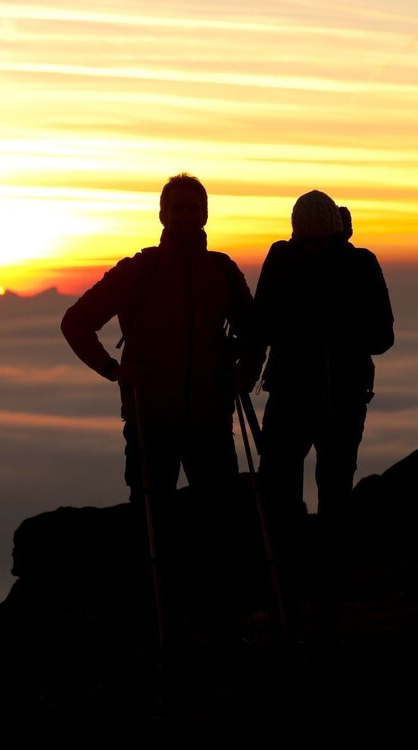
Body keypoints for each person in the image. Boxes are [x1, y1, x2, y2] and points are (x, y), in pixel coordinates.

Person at [61, 173, 261, 645]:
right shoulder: (140, 270)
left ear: (205, 215)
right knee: (155, 529)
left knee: (219, 527)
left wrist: (246, 372)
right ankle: (161, 625)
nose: (187, 216)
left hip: (209, 418)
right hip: (152, 421)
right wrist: (113, 369)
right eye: (179, 209)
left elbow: (254, 332)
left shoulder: (222, 270)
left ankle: (215, 627)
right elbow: (75, 323)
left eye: (194, 209)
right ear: (163, 215)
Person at [250, 189, 394, 642]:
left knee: (333, 502)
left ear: (335, 233)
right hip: (299, 397)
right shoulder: (283, 259)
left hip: (339, 399)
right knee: (280, 499)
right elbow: (262, 325)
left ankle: (325, 615)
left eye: (319, 241)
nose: (311, 248)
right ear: (295, 234)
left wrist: (337, 312)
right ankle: (286, 606)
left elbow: (382, 336)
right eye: (304, 240)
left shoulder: (360, 264)